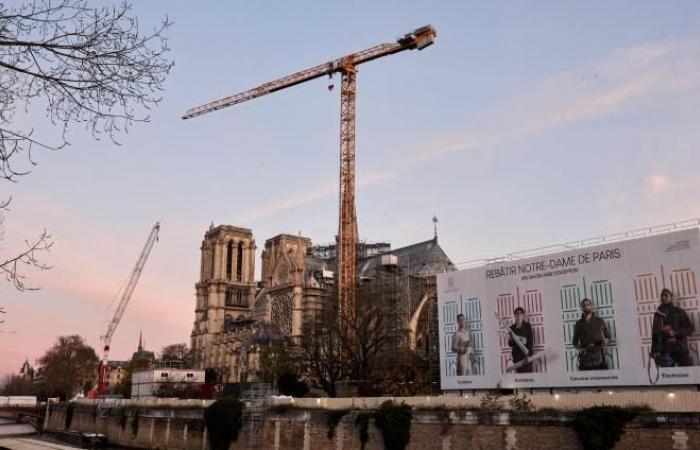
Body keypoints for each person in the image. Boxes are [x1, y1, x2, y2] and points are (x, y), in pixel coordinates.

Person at [652, 288, 695, 367]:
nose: (663, 297)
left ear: (671, 297)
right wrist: (654, 351)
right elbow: (654, 334)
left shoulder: (680, 312)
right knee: (667, 377)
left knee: (688, 373)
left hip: (680, 348)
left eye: (666, 295)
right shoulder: (658, 314)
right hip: (664, 351)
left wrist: (675, 332)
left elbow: (690, 329)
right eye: (662, 296)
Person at [572, 298, 610, 370]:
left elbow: (607, 337)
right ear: (581, 308)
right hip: (585, 357)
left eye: (588, 305)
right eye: (584, 306)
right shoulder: (578, 324)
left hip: (599, 356)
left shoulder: (599, 321)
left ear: (591, 306)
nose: (586, 307)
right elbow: (575, 342)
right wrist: (580, 349)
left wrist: (606, 340)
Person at [508, 307, 534, 373]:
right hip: (517, 357)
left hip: (526, 356)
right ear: (514, 316)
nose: (518, 315)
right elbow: (510, 344)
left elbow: (530, 342)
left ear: (523, 315)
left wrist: (528, 355)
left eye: (520, 314)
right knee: (519, 378)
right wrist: (511, 338)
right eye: (516, 314)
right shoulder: (511, 328)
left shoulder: (527, 326)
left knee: (528, 377)